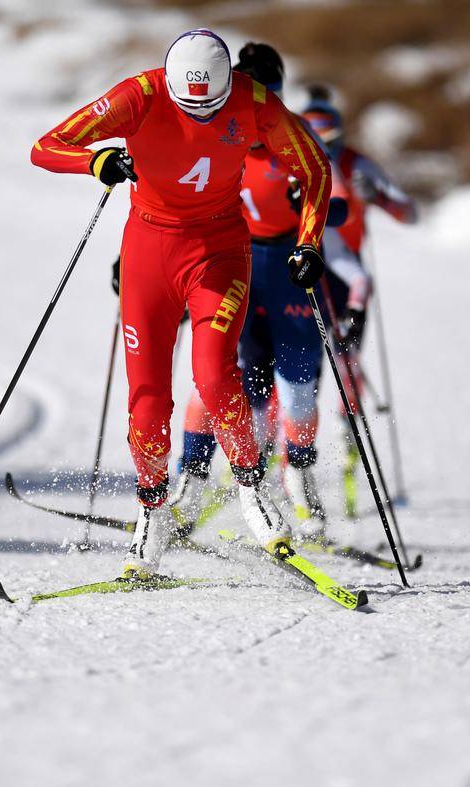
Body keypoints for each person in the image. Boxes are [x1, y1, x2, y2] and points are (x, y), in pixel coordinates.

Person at [32, 29, 332, 579]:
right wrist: (96, 163)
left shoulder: (254, 100)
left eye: (211, 108)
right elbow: (45, 147)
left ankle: (251, 484)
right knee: (147, 401)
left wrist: (308, 243)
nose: (200, 118)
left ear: (228, 88)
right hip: (149, 254)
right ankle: (153, 510)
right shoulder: (138, 96)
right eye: (188, 107)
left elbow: (314, 168)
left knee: (215, 375)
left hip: (218, 252)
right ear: (170, 86)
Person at [169, 43, 348, 540]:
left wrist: (310, 203)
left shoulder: (297, 137)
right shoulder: (211, 139)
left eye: (269, 94)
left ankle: (299, 476)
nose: (258, 106)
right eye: (250, 94)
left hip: (288, 270)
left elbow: (341, 210)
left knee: (296, 390)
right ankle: (192, 478)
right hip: (233, 269)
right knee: (214, 377)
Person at [300, 87, 417, 511]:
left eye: (328, 142)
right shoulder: (291, 157)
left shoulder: (356, 164)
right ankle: (294, 473)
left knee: (348, 372)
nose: (322, 151)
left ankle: (350, 461)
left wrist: (379, 196)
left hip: (349, 277)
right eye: (313, 141)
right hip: (306, 272)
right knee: (300, 377)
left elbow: (411, 213)